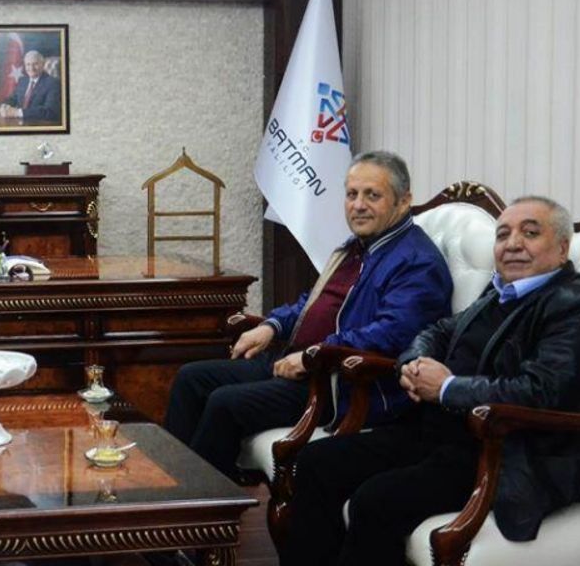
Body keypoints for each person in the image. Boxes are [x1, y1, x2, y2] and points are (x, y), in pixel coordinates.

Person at [279, 196, 580, 566]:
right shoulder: (502, 292)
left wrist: (446, 388)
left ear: (562, 248)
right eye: (503, 234)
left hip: (505, 455)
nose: (512, 244)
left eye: (530, 233)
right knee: (317, 462)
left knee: (376, 500)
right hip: (441, 432)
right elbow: (440, 330)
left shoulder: (578, 308)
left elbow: (540, 392)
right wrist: (414, 363)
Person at [164, 151, 453, 477]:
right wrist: (273, 326)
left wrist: (314, 354)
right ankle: (172, 489)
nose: (358, 205)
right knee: (191, 378)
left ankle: (205, 502)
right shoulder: (359, 247)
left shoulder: (417, 262)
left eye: (372, 195)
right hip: (301, 361)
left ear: (403, 202)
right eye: (352, 194)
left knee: (225, 403)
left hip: (341, 383)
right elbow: (313, 302)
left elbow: (391, 335)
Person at [0, 50, 61, 124]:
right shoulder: (23, 80)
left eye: (35, 64)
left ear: (43, 64)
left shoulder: (53, 83)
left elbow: (50, 112)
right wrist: (4, 106)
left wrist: (17, 112)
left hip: (38, 125)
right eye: (28, 64)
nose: (31, 68)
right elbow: (12, 98)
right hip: (19, 123)